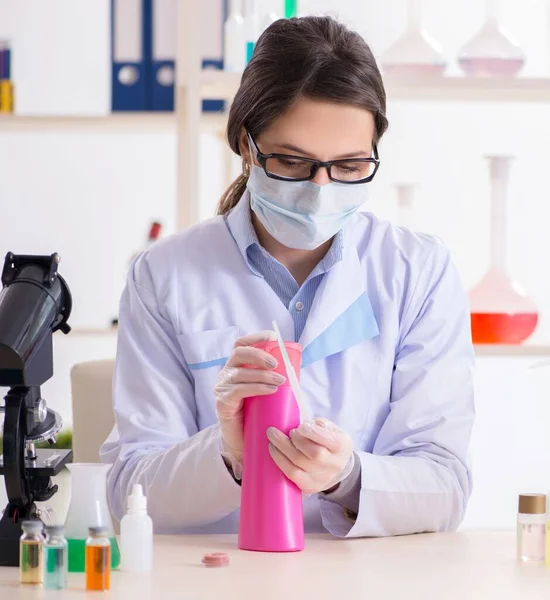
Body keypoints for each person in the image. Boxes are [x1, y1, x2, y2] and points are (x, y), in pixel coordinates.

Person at [100, 15, 474, 538]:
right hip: (213, 576)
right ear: (246, 146)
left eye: (348, 166)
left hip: (367, 578)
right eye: (294, 163)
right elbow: (130, 491)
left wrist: (347, 477)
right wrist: (228, 455)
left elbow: (445, 485)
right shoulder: (165, 274)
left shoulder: (416, 271)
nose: (321, 190)